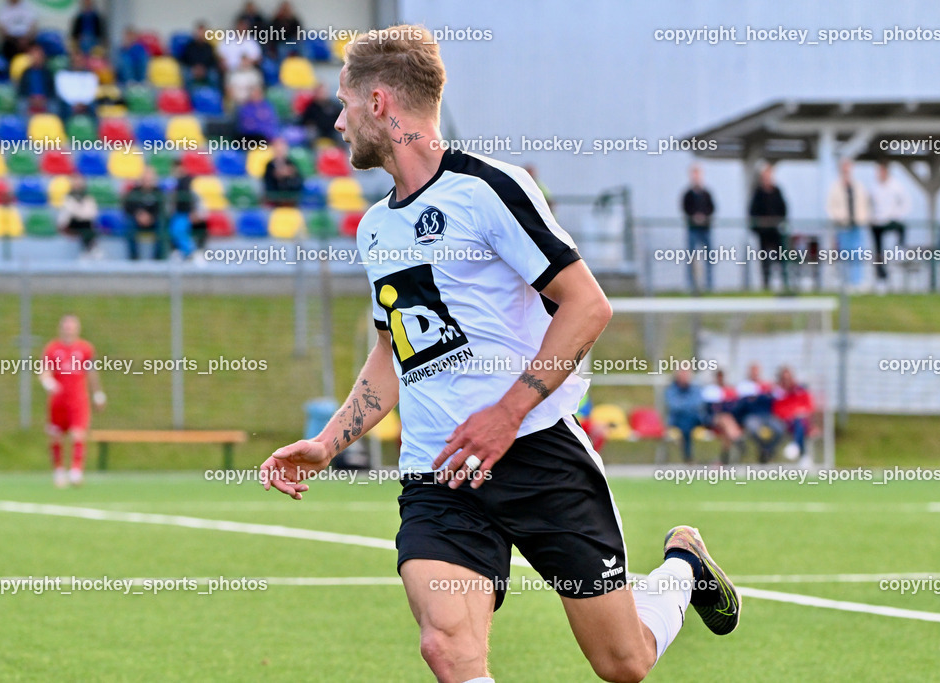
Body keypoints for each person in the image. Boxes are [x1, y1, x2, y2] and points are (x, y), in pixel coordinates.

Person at [260, 26, 740, 683]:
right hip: (439, 471)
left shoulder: (488, 190)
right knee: (446, 647)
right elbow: (392, 352)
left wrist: (507, 413)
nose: (337, 121)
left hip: (538, 452)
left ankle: (682, 564)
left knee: (623, 662)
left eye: (343, 103)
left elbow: (587, 305)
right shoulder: (375, 227)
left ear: (379, 103)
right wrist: (329, 440)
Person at [39, 315, 106, 488]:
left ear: (77, 329)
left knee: (78, 434)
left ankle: (76, 472)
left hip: (78, 400)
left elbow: (92, 374)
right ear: (60, 328)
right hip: (57, 401)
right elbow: (44, 370)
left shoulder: (85, 349)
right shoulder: (52, 348)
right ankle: (59, 471)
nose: (69, 329)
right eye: (66, 326)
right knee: (55, 437)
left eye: (72, 326)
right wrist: (48, 383)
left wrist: (98, 394)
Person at [826, 158, 870, 292]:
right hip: (843, 226)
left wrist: (863, 217)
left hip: (857, 225)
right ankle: (845, 281)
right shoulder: (835, 187)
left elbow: (865, 203)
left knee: (857, 253)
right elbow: (830, 207)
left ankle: (857, 282)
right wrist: (838, 217)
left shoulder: (858, 186)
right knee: (845, 254)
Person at [869, 161, 910, 294]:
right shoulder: (874, 187)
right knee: (878, 250)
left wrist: (896, 215)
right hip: (878, 222)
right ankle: (882, 277)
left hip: (892, 220)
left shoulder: (896, 186)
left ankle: (899, 250)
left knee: (902, 228)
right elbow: (870, 205)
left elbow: (905, 203)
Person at [748, 163, 789, 292]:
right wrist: (760, 225)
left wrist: (778, 222)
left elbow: (784, 209)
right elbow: (753, 212)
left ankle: (784, 284)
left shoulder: (777, 191)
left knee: (781, 258)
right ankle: (766, 285)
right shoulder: (758, 193)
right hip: (763, 233)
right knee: (765, 260)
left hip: (776, 232)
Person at [734, 363, 783, 464]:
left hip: (768, 416)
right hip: (752, 416)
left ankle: (767, 450)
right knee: (754, 429)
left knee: (779, 429)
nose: (754, 374)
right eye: (753, 372)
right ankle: (763, 450)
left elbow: (780, 395)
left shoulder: (767, 386)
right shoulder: (744, 386)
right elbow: (740, 405)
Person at [681, 164, 715, 293]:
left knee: (709, 258)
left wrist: (703, 216)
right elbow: (685, 208)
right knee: (691, 257)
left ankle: (710, 286)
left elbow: (711, 208)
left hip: (705, 229)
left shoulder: (707, 193)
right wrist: (694, 217)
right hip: (693, 229)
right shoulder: (688, 194)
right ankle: (690, 286)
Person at [772, 366, 814, 464]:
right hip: (783, 423)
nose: (787, 381)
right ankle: (803, 455)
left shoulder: (800, 390)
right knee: (798, 422)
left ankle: (795, 445)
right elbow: (777, 410)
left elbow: (809, 406)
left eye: (788, 378)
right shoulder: (778, 393)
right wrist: (791, 414)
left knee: (800, 422)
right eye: (784, 379)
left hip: (802, 421)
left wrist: (800, 412)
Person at [664, 368, 707, 463]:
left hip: (696, 419)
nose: (685, 376)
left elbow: (698, 403)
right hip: (678, 420)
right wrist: (688, 406)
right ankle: (689, 457)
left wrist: (685, 406)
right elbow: (674, 406)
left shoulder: (695, 389)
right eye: (683, 373)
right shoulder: (671, 390)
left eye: (687, 373)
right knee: (685, 423)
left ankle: (716, 459)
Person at [122, 167, 166, 259]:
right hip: (137, 221)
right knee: (129, 225)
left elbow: (162, 209)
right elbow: (127, 207)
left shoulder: (159, 192)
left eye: (149, 179)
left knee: (162, 227)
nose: (147, 181)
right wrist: (138, 215)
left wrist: (151, 217)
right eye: (145, 179)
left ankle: (158, 258)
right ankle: (134, 258)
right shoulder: (134, 192)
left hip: (153, 221)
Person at [702, 368, 743, 465]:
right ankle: (737, 438)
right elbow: (709, 410)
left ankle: (724, 458)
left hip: (727, 423)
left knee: (726, 429)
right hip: (712, 420)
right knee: (725, 419)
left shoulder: (729, 391)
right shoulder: (710, 391)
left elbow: (734, 408)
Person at [57, 175, 100, 257]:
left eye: (79, 183)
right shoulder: (68, 197)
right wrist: (81, 213)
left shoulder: (88, 197)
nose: (78, 185)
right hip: (70, 224)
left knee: (87, 225)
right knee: (85, 224)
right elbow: (69, 213)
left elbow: (92, 213)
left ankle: (88, 251)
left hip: (85, 223)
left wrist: (80, 213)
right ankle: (89, 250)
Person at [54, 52, 99, 120]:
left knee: (94, 106)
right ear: (71, 61)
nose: (78, 63)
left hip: (86, 104)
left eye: (80, 61)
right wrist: (74, 104)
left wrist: (83, 103)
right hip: (69, 104)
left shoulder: (90, 75)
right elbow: (63, 93)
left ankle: (95, 129)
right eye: (75, 61)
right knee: (63, 106)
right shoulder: (62, 75)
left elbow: (91, 92)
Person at [168, 165, 200, 261]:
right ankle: (184, 252)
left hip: (185, 213)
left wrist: (194, 211)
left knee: (179, 231)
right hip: (178, 214)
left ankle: (192, 251)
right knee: (175, 231)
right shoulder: (175, 183)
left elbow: (195, 198)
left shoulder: (189, 182)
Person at [17, 45, 58, 115]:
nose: (36, 57)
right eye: (33, 55)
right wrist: (31, 99)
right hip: (29, 101)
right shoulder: (26, 73)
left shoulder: (48, 73)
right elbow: (21, 90)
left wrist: (43, 100)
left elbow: (52, 91)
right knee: (21, 104)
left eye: (38, 55)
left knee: (54, 105)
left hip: (45, 101)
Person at [262, 137, 303, 206]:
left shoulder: (291, 164)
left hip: (291, 201)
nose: (280, 151)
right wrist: (276, 176)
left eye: (282, 149)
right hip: (275, 202)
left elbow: (299, 183)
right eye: (277, 149)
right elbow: (267, 185)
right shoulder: (269, 165)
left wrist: (291, 175)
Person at [180, 22, 220, 91]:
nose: (200, 34)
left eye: (202, 32)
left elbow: (212, 61)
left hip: (206, 70)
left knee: (214, 76)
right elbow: (184, 60)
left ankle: (214, 96)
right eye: (199, 32)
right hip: (192, 69)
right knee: (186, 74)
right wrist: (194, 69)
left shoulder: (209, 47)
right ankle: (188, 96)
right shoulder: (189, 46)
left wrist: (204, 69)